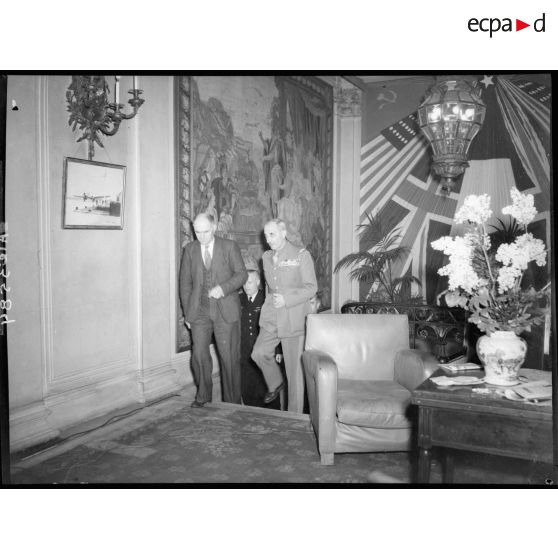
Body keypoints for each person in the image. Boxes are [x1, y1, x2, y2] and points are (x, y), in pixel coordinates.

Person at [179, 213, 247, 407]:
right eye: (197, 232)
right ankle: (203, 396)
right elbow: (185, 284)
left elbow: (242, 275)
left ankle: (232, 402)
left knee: (229, 359)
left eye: (206, 232)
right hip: (199, 311)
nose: (201, 236)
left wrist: (223, 288)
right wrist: (188, 313)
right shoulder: (190, 250)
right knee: (199, 354)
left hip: (225, 311)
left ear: (214, 228)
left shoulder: (229, 247)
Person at [251, 218, 317, 413]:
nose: (268, 239)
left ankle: (294, 418)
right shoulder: (266, 257)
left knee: (294, 375)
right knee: (259, 352)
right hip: (272, 316)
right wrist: (268, 309)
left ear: (283, 233)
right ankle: (276, 382)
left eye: (272, 235)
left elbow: (311, 288)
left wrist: (287, 299)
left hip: (293, 318)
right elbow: (270, 288)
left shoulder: (301, 255)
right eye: (266, 235)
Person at [239, 268, 280, 410]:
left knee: (267, 390)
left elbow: (276, 325)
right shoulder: (239, 300)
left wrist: (278, 351)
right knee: (248, 389)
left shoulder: (266, 299)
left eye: (250, 282)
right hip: (245, 354)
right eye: (244, 283)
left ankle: (274, 417)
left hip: (264, 352)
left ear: (257, 282)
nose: (246, 286)